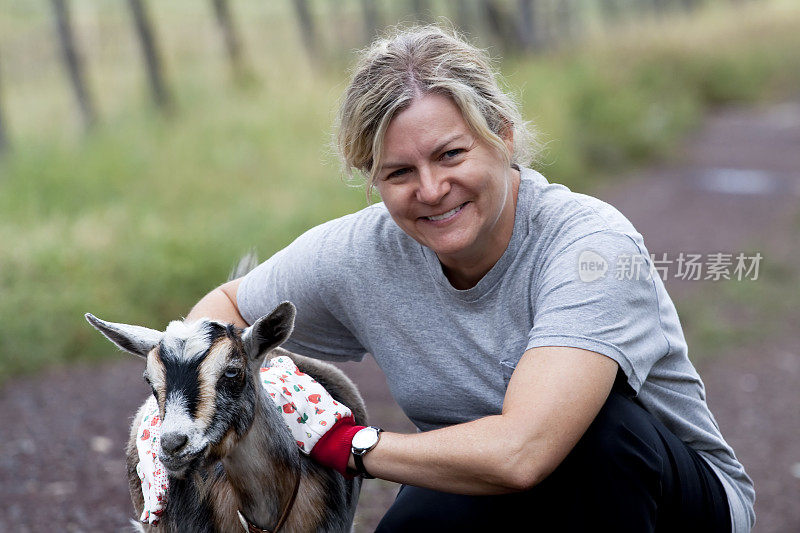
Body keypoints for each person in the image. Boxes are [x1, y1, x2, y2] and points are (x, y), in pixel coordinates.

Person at [141, 25, 754, 532]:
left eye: (451, 155)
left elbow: (523, 452)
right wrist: (184, 410)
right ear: (372, 178)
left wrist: (347, 444)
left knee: (601, 435)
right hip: (494, 488)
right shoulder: (361, 252)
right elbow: (220, 314)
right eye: (399, 171)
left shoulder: (591, 245)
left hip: (668, 504)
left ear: (503, 136)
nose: (431, 189)